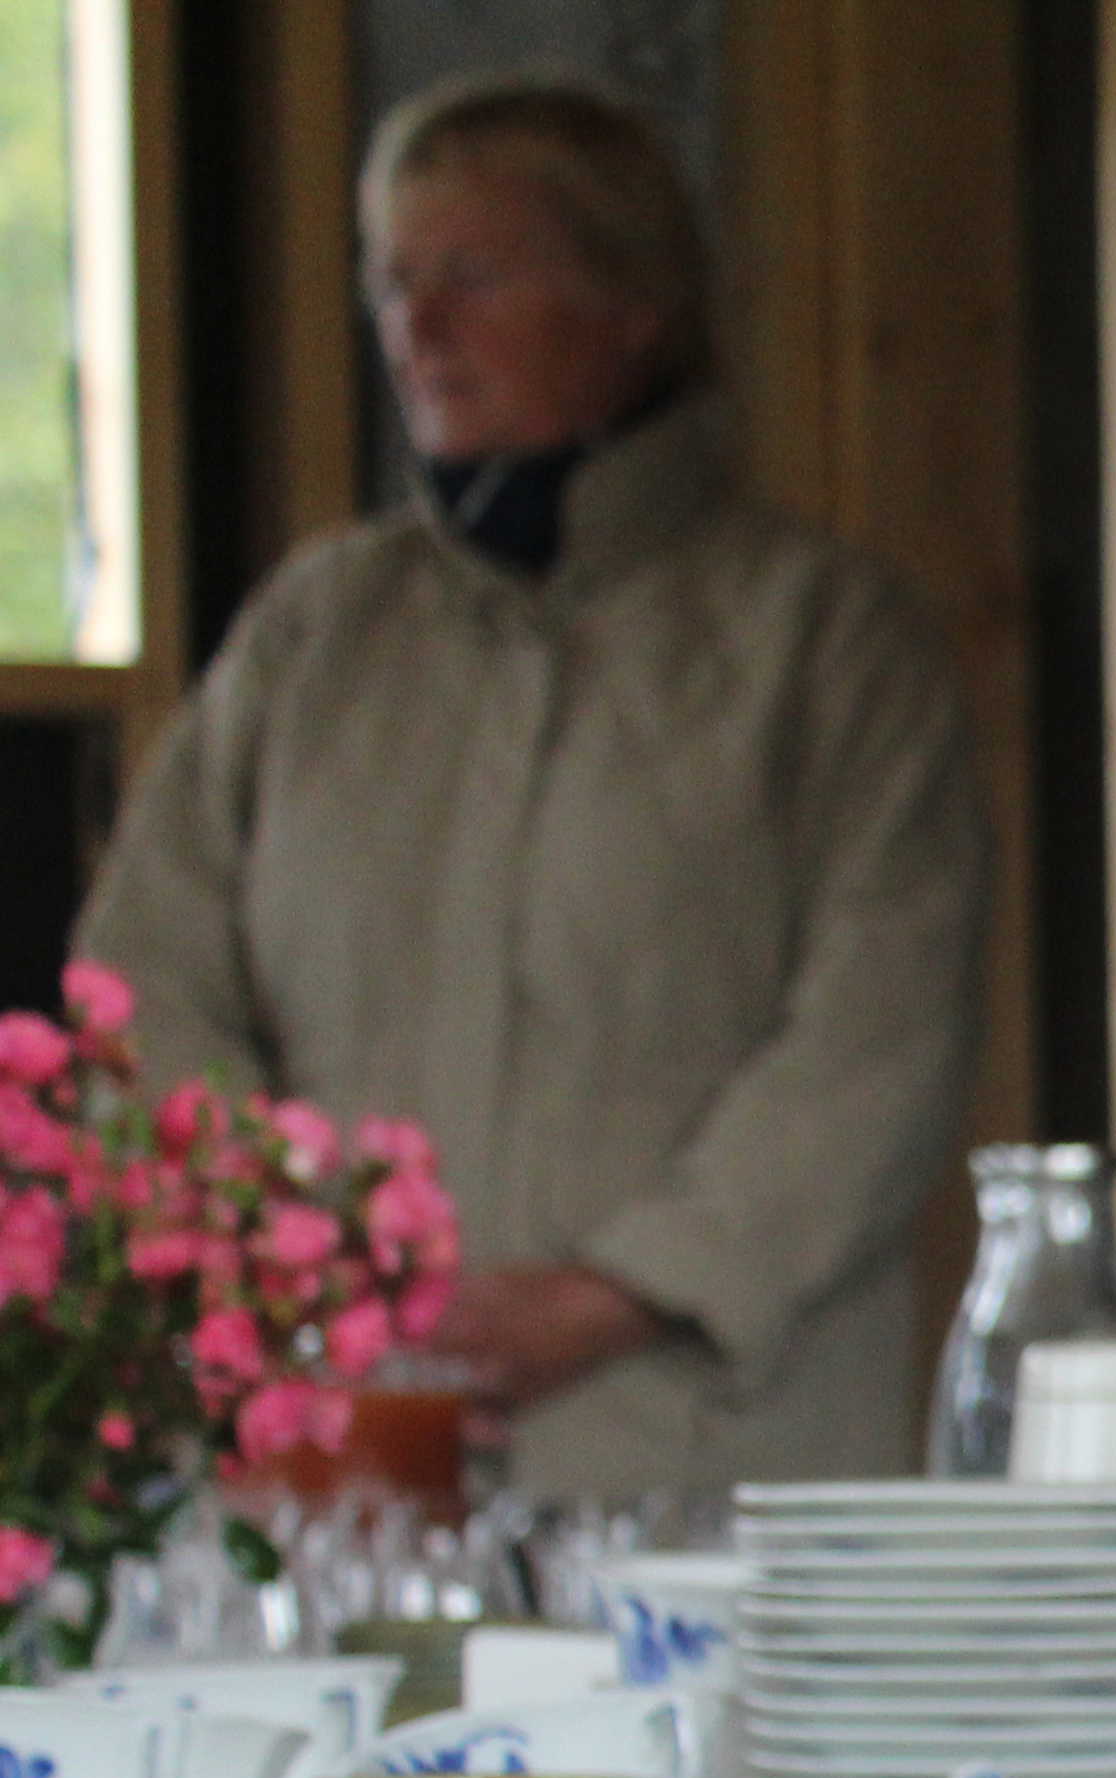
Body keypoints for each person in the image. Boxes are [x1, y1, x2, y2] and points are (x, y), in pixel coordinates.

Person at [80, 73, 990, 1498]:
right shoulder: (314, 636)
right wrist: (288, 1250)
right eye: (394, 285)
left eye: (473, 275)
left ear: (637, 303)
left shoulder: (824, 643)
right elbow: (143, 981)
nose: (420, 328)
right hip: (338, 1450)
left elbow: (883, 1037)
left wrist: (620, 1291)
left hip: (697, 1448)